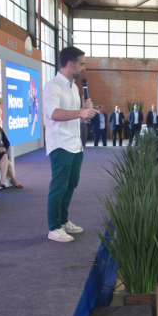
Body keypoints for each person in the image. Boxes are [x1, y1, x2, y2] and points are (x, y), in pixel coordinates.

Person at [43, 46, 98, 242]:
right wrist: (80, 112)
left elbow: (75, 116)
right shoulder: (53, 86)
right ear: (69, 64)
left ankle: (63, 220)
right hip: (60, 144)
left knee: (71, 183)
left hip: (75, 143)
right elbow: (54, 113)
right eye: (81, 64)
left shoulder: (74, 87)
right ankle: (53, 228)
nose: (84, 67)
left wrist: (84, 111)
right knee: (59, 185)